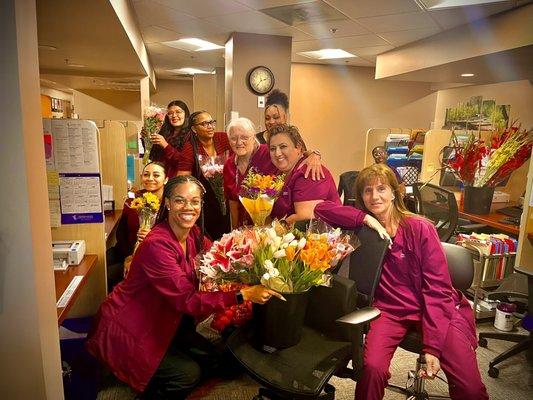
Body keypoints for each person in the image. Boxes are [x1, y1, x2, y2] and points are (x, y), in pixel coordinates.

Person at [87, 176, 281, 400]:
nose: (188, 207)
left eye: (195, 201)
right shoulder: (157, 245)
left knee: (215, 361)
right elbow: (187, 300)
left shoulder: (194, 235)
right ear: (167, 203)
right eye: (180, 201)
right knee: (187, 375)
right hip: (132, 328)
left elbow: (221, 258)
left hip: (169, 320)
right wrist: (242, 294)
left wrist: (261, 261)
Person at [314, 164, 488, 400]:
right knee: (371, 369)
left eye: (381, 189)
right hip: (389, 311)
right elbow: (321, 209)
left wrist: (432, 348)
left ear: (396, 192)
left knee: (470, 389)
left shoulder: (420, 228)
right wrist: (364, 218)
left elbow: (438, 291)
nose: (374, 196)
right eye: (367, 191)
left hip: (435, 309)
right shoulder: (364, 228)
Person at [224, 118, 324, 229]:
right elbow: (232, 200)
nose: (239, 142)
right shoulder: (229, 164)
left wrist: (314, 154)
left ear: (253, 138)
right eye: (233, 138)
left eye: (244, 137)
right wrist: (234, 230)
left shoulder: (269, 152)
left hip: (273, 223)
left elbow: (297, 153)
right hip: (246, 226)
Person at [106, 161, 168, 291]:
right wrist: (129, 257)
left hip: (156, 257)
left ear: (166, 179)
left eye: (156, 175)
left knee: (111, 274)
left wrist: (152, 237)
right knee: (101, 267)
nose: (150, 178)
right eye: (146, 175)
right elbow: (121, 234)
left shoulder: (170, 205)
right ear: (141, 178)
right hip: (128, 251)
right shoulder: (132, 201)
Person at [266, 124, 338, 224]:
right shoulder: (279, 174)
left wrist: (275, 227)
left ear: (299, 147)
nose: (277, 153)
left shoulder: (309, 171)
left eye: (283, 146)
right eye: (273, 149)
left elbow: (305, 218)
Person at [176, 111, 232, 240]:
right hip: (205, 200)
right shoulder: (190, 147)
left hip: (227, 196)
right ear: (194, 129)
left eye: (212, 122)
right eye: (204, 123)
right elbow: (182, 178)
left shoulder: (222, 138)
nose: (210, 126)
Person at [148, 100, 190, 177]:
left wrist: (165, 145)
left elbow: (183, 162)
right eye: (170, 113)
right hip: (160, 178)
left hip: (177, 180)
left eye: (178, 112)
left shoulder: (190, 136)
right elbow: (153, 156)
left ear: (186, 114)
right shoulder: (163, 132)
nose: (174, 115)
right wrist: (146, 140)